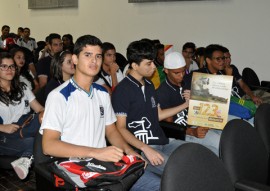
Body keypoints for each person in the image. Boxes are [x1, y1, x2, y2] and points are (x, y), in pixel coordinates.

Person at [40, 35, 160, 191]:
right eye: (87, 55)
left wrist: (130, 152)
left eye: (98, 56)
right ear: (75, 59)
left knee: (162, 183)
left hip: (104, 164)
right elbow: (48, 146)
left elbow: (111, 130)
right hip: (77, 168)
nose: (94, 61)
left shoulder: (102, 93)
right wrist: (96, 153)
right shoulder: (59, 96)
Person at [111, 40, 188, 176]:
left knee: (196, 155)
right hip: (144, 147)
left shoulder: (149, 84)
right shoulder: (122, 90)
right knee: (180, 171)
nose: (154, 67)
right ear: (134, 65)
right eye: (148, 63)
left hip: (163, 141)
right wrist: (144, 148)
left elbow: (158, 114)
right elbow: (120, 128)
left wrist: (186, 105)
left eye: (153, 62)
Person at [156, 52, 220, 155]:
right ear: (166, 70)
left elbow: (207, 105)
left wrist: (197, 100)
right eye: (176, 73)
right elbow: (169, 127)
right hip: (183, 133)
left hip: (198, 123)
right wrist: (191, 131)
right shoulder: (162, 92)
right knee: (216, 150)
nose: (181, 75)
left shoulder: (189, 81)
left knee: (224, 141)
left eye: (183, 71)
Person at [0, 52, 44, 179]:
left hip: (25, 128)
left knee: (43, 119)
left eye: (12, 66)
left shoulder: (22, 88)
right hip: (4, 137)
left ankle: (25, 158)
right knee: (34, 141)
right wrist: (2, 127)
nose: (9, 70)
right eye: (4, 66)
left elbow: (39, 108)